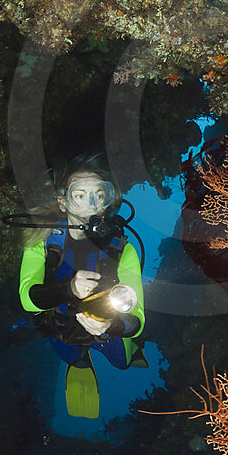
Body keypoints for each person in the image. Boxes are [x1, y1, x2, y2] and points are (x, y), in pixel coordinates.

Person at [18, 156, 146, 418]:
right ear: (62, 202)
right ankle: (80, 360)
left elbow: (137, 320)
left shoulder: (124, 250)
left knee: (122, 362)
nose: (91, 205)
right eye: (80, 195)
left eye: (100, 195)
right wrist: (68, 290)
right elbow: (27, 298)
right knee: (69, 354)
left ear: (109, 201)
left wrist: (111, 325)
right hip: (61, 326)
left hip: (107, 330)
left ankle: (132, 355)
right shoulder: (41, 240)